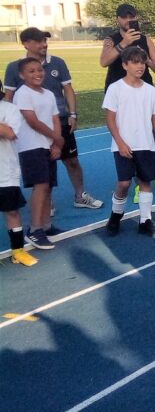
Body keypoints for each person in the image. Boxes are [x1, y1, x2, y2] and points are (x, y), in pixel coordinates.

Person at [4, 27, 102, 210]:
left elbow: (68, 89)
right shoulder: (14, 68)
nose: (44, 44)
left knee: (72, 161)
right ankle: (46, 202)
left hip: (60, 122)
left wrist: (72, 114)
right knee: (42, 167)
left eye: (45, 40)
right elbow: (8, 97)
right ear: (26, 44)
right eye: (39, 41)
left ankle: (80, 196)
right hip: (32, 129)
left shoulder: (58, 62)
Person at [102, 47, 155, 237]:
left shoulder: (150, 90)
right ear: (125, 65)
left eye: (142, 62)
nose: (140, 66)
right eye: (135, 62)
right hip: (123, 145)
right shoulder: (115, 88)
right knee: (123, 183)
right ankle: (116, 215)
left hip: (146, 144)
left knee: (145, 182)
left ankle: (145, 220)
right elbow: (110, 119)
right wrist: (120, 143)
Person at [12, 58, 62, 250]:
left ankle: (46, 225)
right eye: (31, 71)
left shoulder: (48, 94)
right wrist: (56, 138)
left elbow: (55, 118)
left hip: (48, 145)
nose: (37, 74)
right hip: (31, 146)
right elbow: (32, 121)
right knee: (40, 185)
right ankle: (34, 229)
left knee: (48, 186)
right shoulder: (23, 94)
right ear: (22, 75)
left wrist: (56, 143)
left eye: (39, 70)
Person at [0, 97, 36, 265]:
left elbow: (10, 133)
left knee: (12, 212)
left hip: (5, 172)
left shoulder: (10, 109)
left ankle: (18, 251)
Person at [100, 3, 155, 90]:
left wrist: (147, 61)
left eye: (131, 17)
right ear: (117, 19)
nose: (128, 20)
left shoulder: (146, 40)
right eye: (124, 17)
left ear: (136, 18)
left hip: (142, 89)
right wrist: (124, 43)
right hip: (118, 90)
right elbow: (104, 62)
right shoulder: (111, 40)